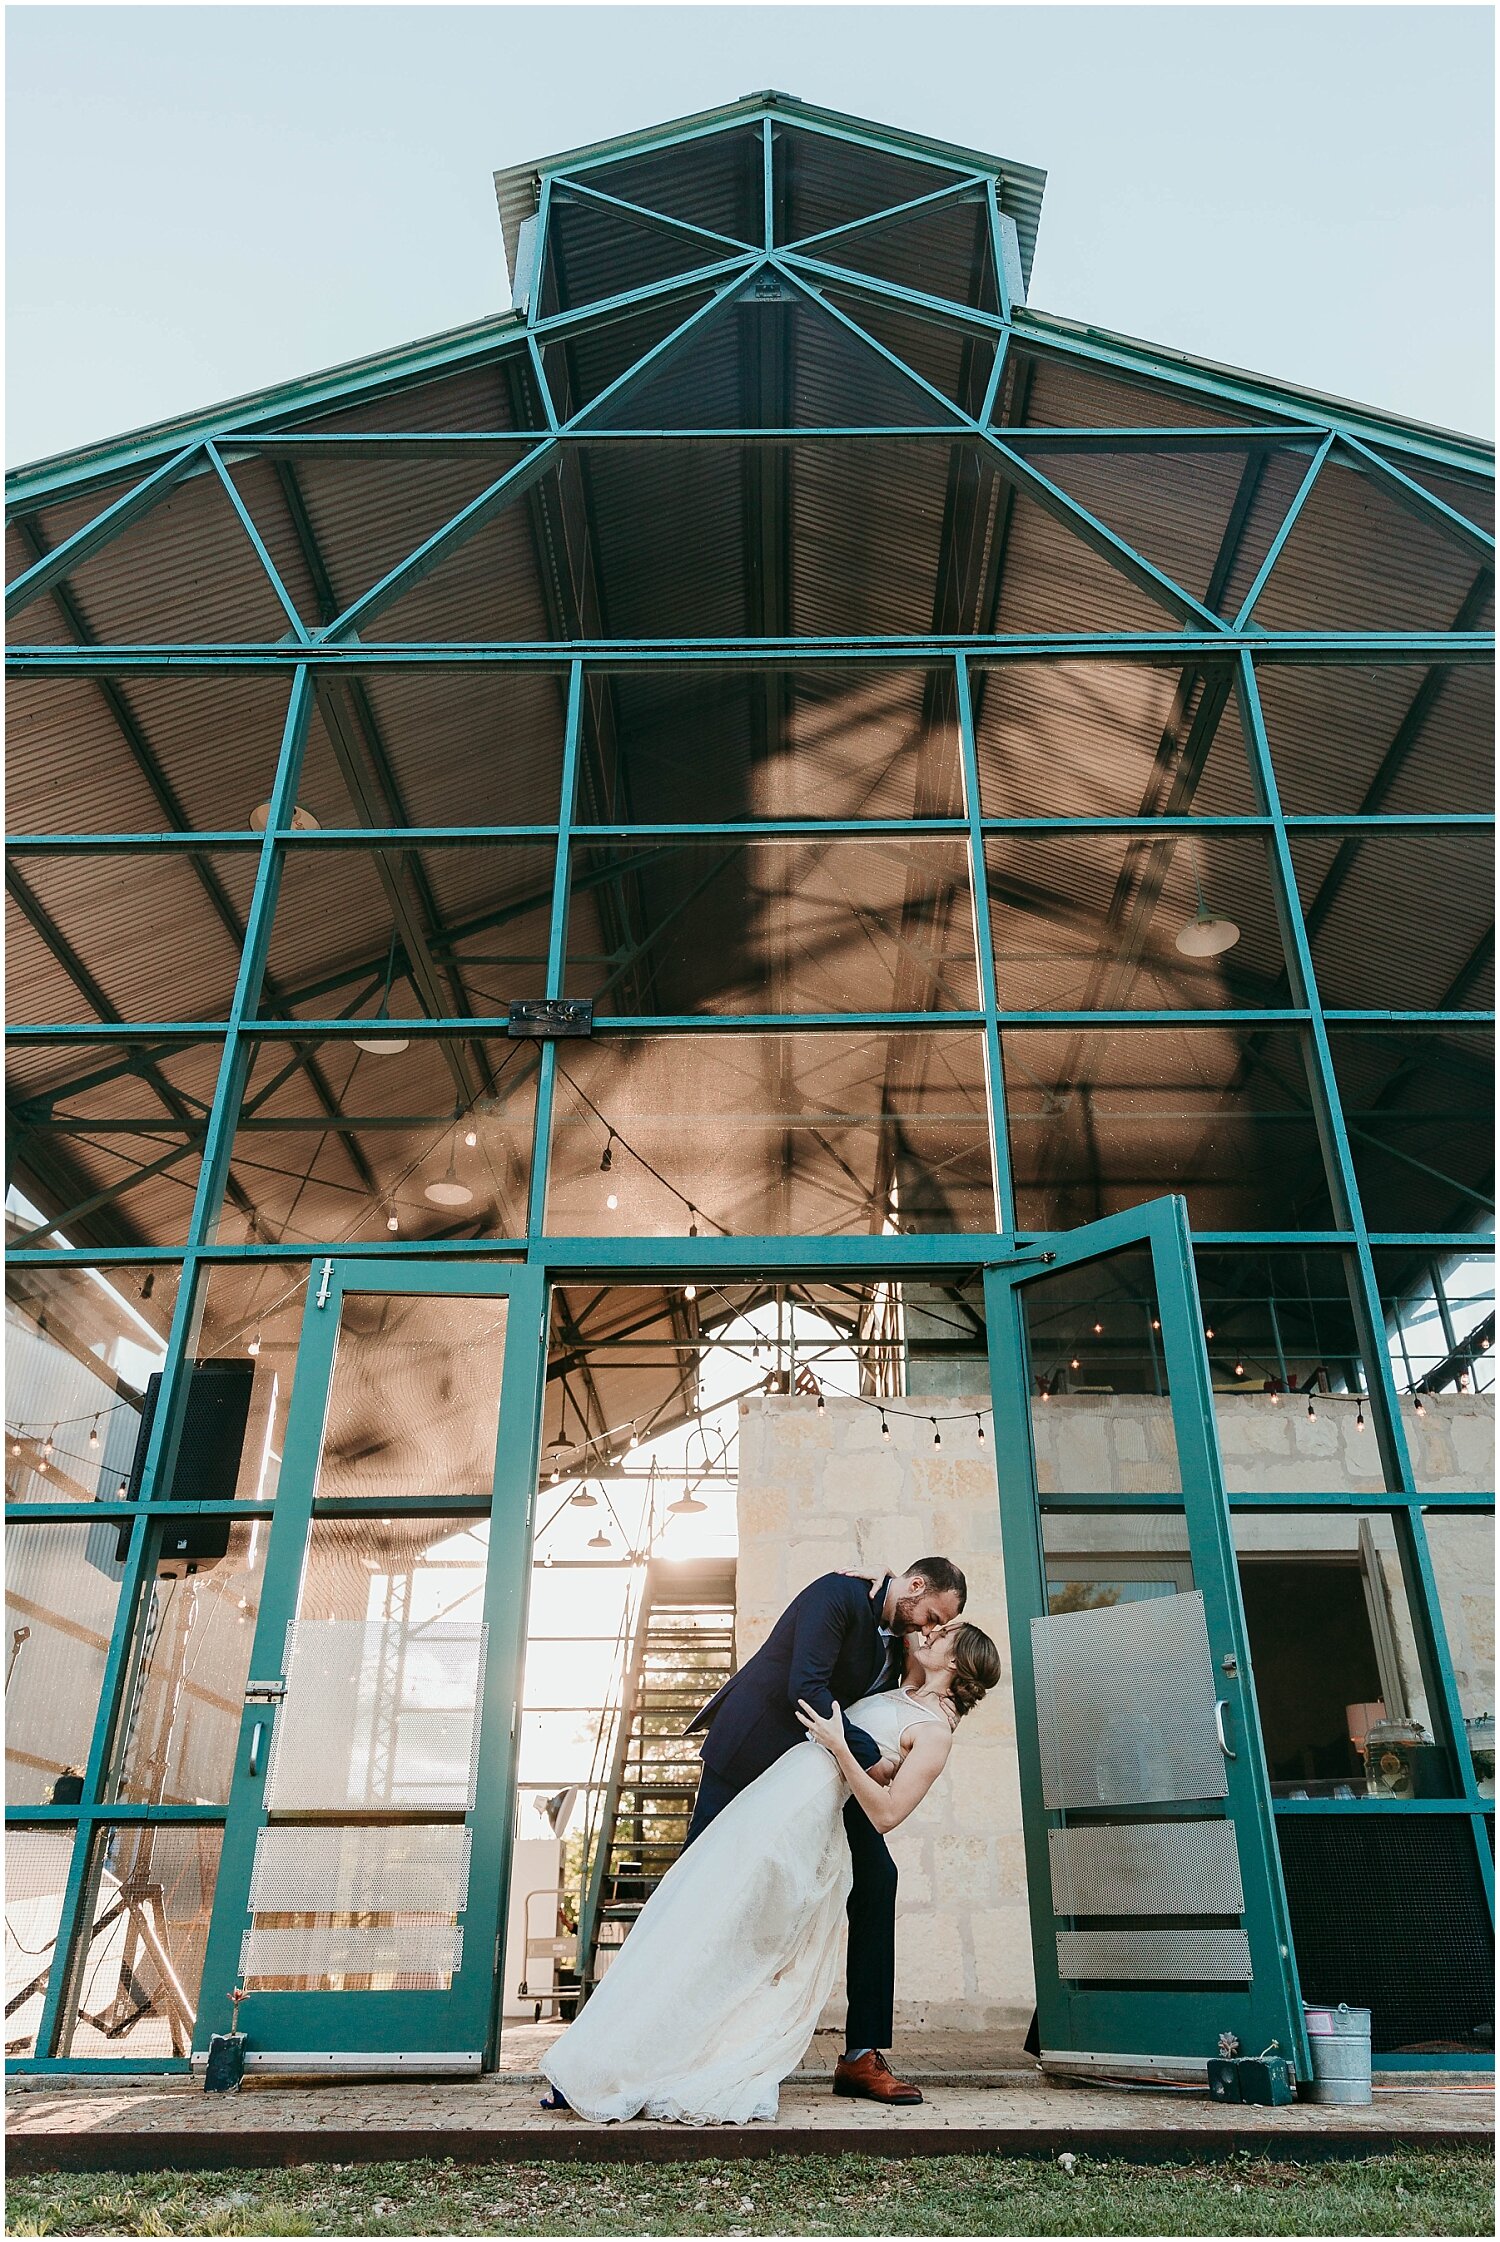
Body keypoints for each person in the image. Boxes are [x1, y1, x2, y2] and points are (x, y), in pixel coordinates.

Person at [539, 1613, 1002, 2125]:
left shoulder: (935, 1731)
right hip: (775, 1801)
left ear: (957, 1661)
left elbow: (887, 1813)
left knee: (756, 1936)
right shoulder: (900, 1684)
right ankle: (617, 2052)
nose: (931, 1630)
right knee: (699, 1915)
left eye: (944, 1632)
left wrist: (841, 1744)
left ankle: (846, 2055)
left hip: (808, 1819)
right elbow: (894, 1608)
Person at [686, 1557, 966, 2104]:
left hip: (821, 1777)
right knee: (697, 1889)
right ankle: (666, 2027)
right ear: (913, 1586)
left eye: (939, 1624)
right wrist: (872, 1760)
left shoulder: (901, 1639)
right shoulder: (837, 1596)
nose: (930, 1628)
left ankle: (861, 2055)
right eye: (931, 1613)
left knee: (878, 1879)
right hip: (748, 1755)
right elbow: (806, 1687)